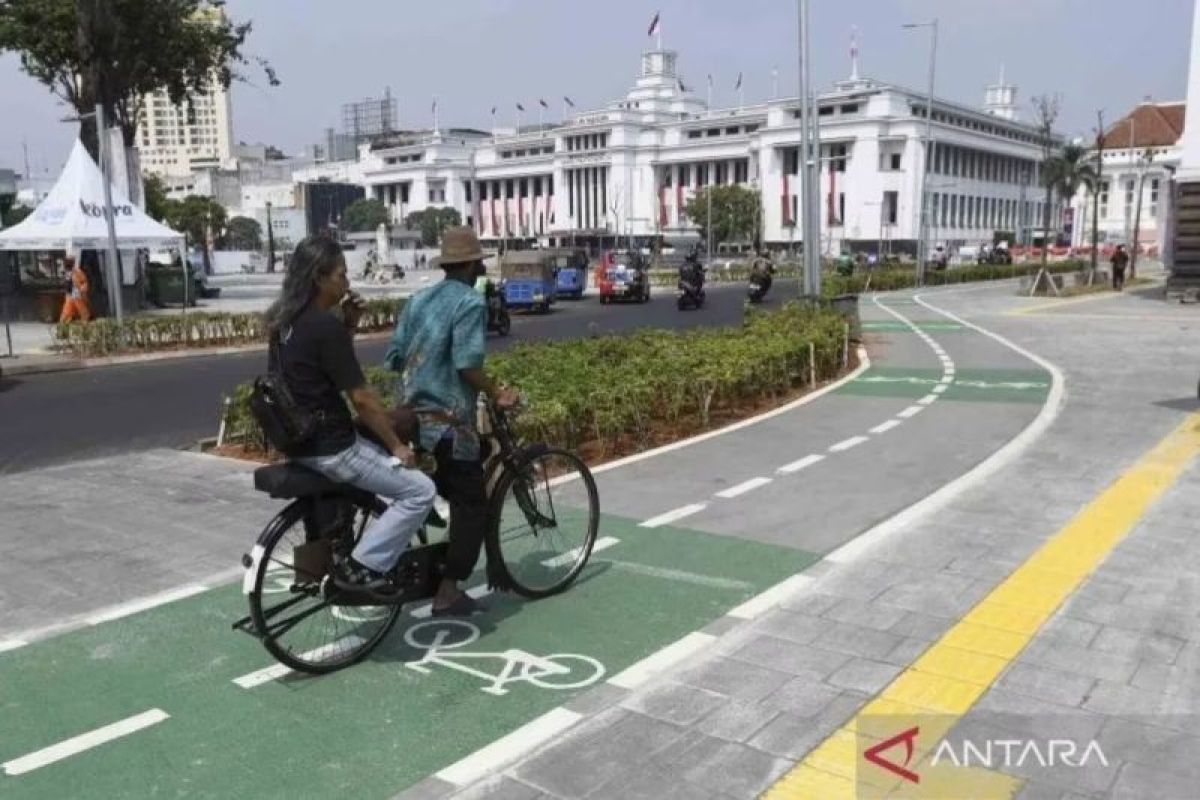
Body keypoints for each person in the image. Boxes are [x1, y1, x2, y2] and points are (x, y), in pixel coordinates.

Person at [265, 236, 436, 593]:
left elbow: (316, 371)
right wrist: (397, 448)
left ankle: (343, 545)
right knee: (420, 491)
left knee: (384, 437)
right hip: (333, 448)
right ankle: (365, 566)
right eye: (342, 275)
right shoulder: (323, 328)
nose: (348, 283)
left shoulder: (283, 322)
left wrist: (350, 324)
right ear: (319, 277)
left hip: (299, 441)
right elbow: (360, 397)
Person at [386, 227, 519, 617]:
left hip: (411, 420)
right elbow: (467, 365)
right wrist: (497, 392)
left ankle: (425, 553)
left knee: (430, 489)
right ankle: (447, 589)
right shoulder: (470, 303)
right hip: (449, 425)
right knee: (470, 504)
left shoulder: (418, 300)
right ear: (472, 264)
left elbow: (395, 357)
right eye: (479, 260)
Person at [59, 256, 91, 323]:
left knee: (83, 312)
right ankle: (63, 325)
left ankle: (84, 325)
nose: (66, 264)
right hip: (70, 295)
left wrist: (82, 289)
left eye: (68, 262)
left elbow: (85, 282)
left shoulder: (77, 272)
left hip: (77, 294)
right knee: (66, 312)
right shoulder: (65, 273)